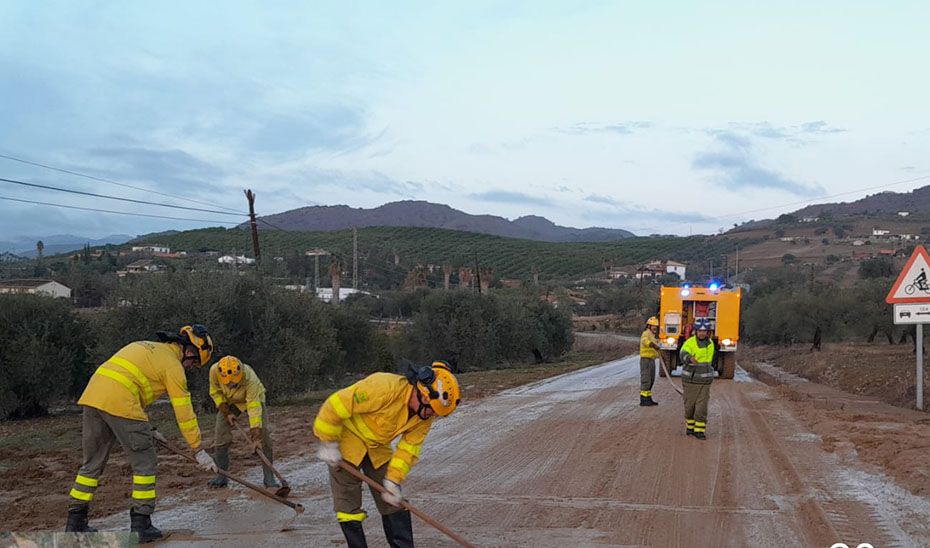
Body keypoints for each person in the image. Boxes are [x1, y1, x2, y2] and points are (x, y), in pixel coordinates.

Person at [65, 325, 218, 542]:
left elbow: (129, 386)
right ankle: (141, 524)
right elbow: (184, 412)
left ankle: (75, 522)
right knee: (145, 463)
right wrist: (198, 449)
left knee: (91, 463)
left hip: (93, 398)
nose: (191, 367)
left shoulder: (145, 347)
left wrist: (149, 430)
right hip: (121, 403)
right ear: (190, 351)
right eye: (194, 363)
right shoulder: (173, 367)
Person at [313, 361, 461, 548]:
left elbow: (409, 450)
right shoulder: (384, 387)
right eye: (432, 409)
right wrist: (328, 441)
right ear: (421, 392)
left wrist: (393, 480)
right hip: (345, 443)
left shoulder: (423, 416)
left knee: (394, 502)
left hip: (377, 448)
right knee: (347, 507)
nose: (432, 414)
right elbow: (336, 404)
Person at [207, 355, 279, 488]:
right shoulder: (214, 371)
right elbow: (215, 392)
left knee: (264, 437)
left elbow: (253, 407)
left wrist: (256, 436)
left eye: (234, 382)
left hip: (254, 399)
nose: (231, 384)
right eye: (228, 383)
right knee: (220, 436)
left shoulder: (249, 377)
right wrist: (226, 412)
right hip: (230, 402)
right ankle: (221, 476)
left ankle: (269, 479)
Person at [679, 319, 715, 440]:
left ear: (708, 332)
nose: (702, 333)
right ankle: (690, 427)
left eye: (704, 331)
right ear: (696, 331)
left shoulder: (710, 344)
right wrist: (688, 358)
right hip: (690, 381)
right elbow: (683, 352)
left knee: (701, 407)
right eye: (700, 331)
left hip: (704, 381)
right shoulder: (690, 342)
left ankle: (699, 431)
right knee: (690, 407)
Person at [639, 316, 661, 406]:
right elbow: (644, 341)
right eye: (653, 326)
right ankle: (643, 400)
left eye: (656, 326)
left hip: (651, 360)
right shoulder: (646, 333)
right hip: (646, 360)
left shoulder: (652, 335)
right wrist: (652, 344)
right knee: (646, 380)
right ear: (649, 326)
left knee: (651, 380)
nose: (655, 327)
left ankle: (648, 398)